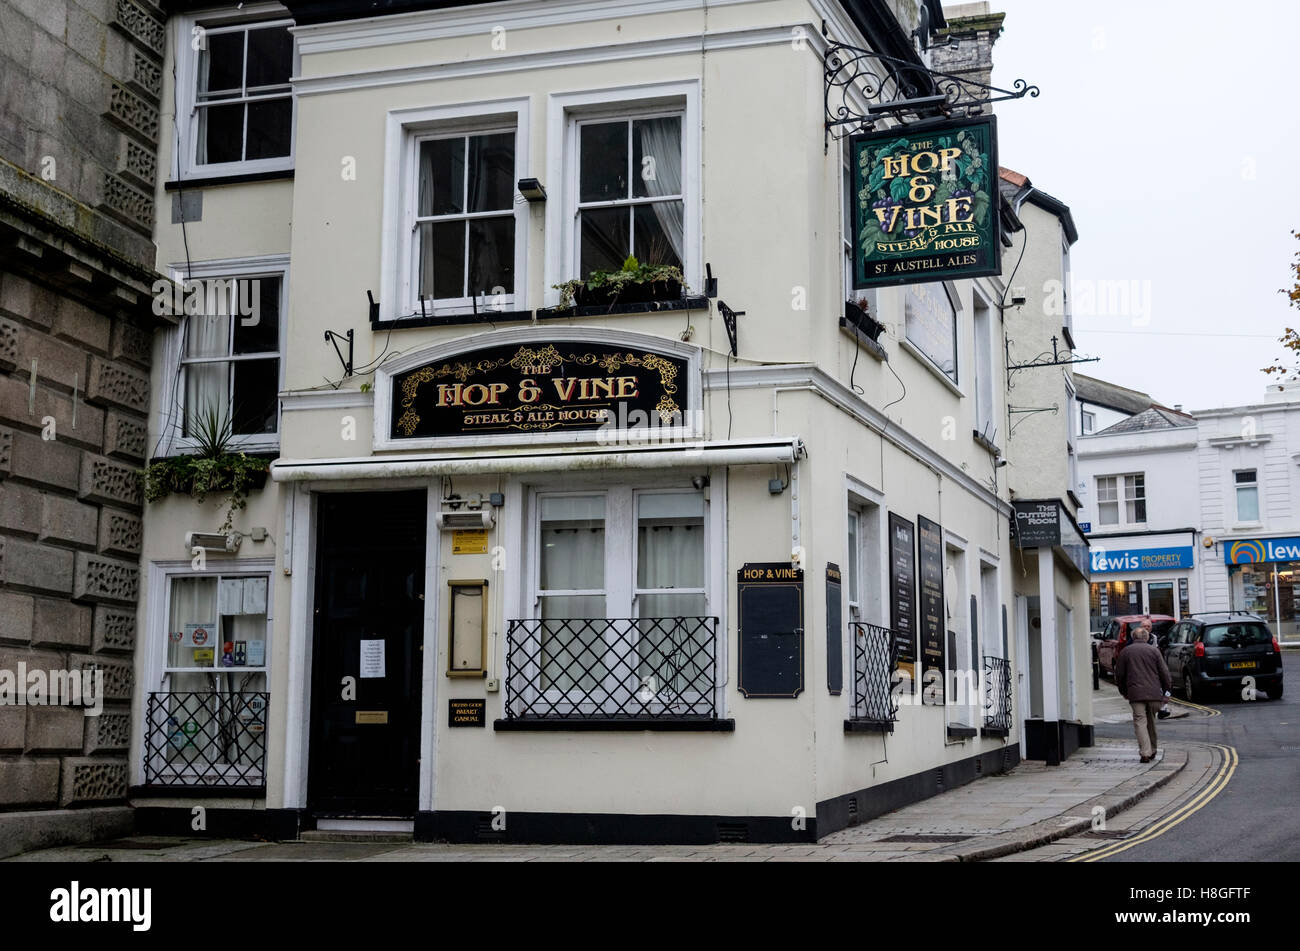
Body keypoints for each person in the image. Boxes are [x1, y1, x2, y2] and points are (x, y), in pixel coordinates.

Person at [1115, 623, 1173, 763]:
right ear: (1147, 637)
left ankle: (1145, 752)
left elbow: (1119, 675)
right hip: (1154, 694)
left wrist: (1123, 691)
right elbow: (1165, 673)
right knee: (1151, 721)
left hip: (1135, 694)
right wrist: (1167, 692)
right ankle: (1153, 750)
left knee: (1140, 721)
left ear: (1133, 637)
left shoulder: (1126, 652)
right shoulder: (1154, 651)